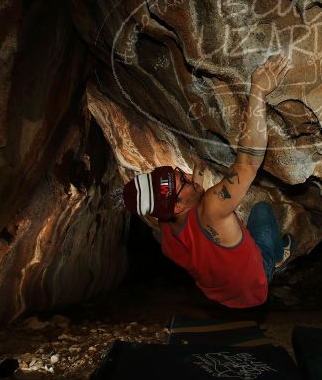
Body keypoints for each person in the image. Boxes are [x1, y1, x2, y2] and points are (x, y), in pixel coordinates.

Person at [122, 54, 294, 308]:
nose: (189, 176)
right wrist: (257, 91)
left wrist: (196, 175)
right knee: (261, 210)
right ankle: (277, 258)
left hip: (224, 297)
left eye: (181, 173)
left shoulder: (168, 232)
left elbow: (192, 190)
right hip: (256, 285)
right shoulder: (213, 207)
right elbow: (247, 164)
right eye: (184, 181)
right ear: (178, 206)